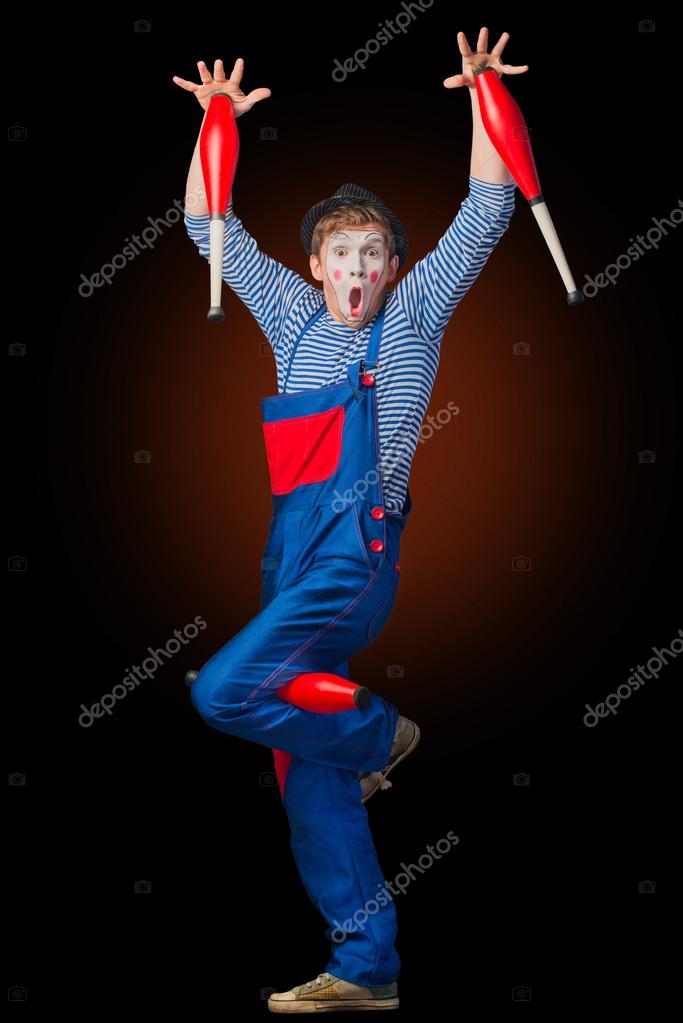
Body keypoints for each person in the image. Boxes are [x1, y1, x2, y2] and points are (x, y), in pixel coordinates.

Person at [174, 26, 525, 1014]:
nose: (358, 265)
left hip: (354, 550)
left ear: (391, 267)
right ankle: (365, 967)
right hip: (287, 552)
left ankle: (384, 737)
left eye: (374, 251)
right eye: (341, 251)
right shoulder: (288, 317)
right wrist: (216, 122)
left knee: (224, 692)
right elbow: (209, 228)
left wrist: (484, 95)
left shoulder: (410, 319)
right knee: (304, 782)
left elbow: (488, 206)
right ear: (319, 265)